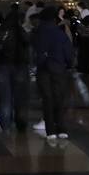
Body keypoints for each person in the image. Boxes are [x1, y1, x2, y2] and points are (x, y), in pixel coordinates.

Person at [31, 7, 75, 140]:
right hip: (58, 68)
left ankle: (50, 130)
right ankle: (61, 128)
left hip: (43, 69)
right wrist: (68, 64)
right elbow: (68, 52)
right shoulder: (59, 32)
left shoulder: (37, 33)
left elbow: (33, 52)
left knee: (47, 99)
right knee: (59, 99)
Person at [0, 4, 29, 132]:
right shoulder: (21, 32)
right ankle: (21, 123)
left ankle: (6, 125)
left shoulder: (2, 32)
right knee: (20, 97)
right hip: (19, 65)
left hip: (3, 65)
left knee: (5, 98)